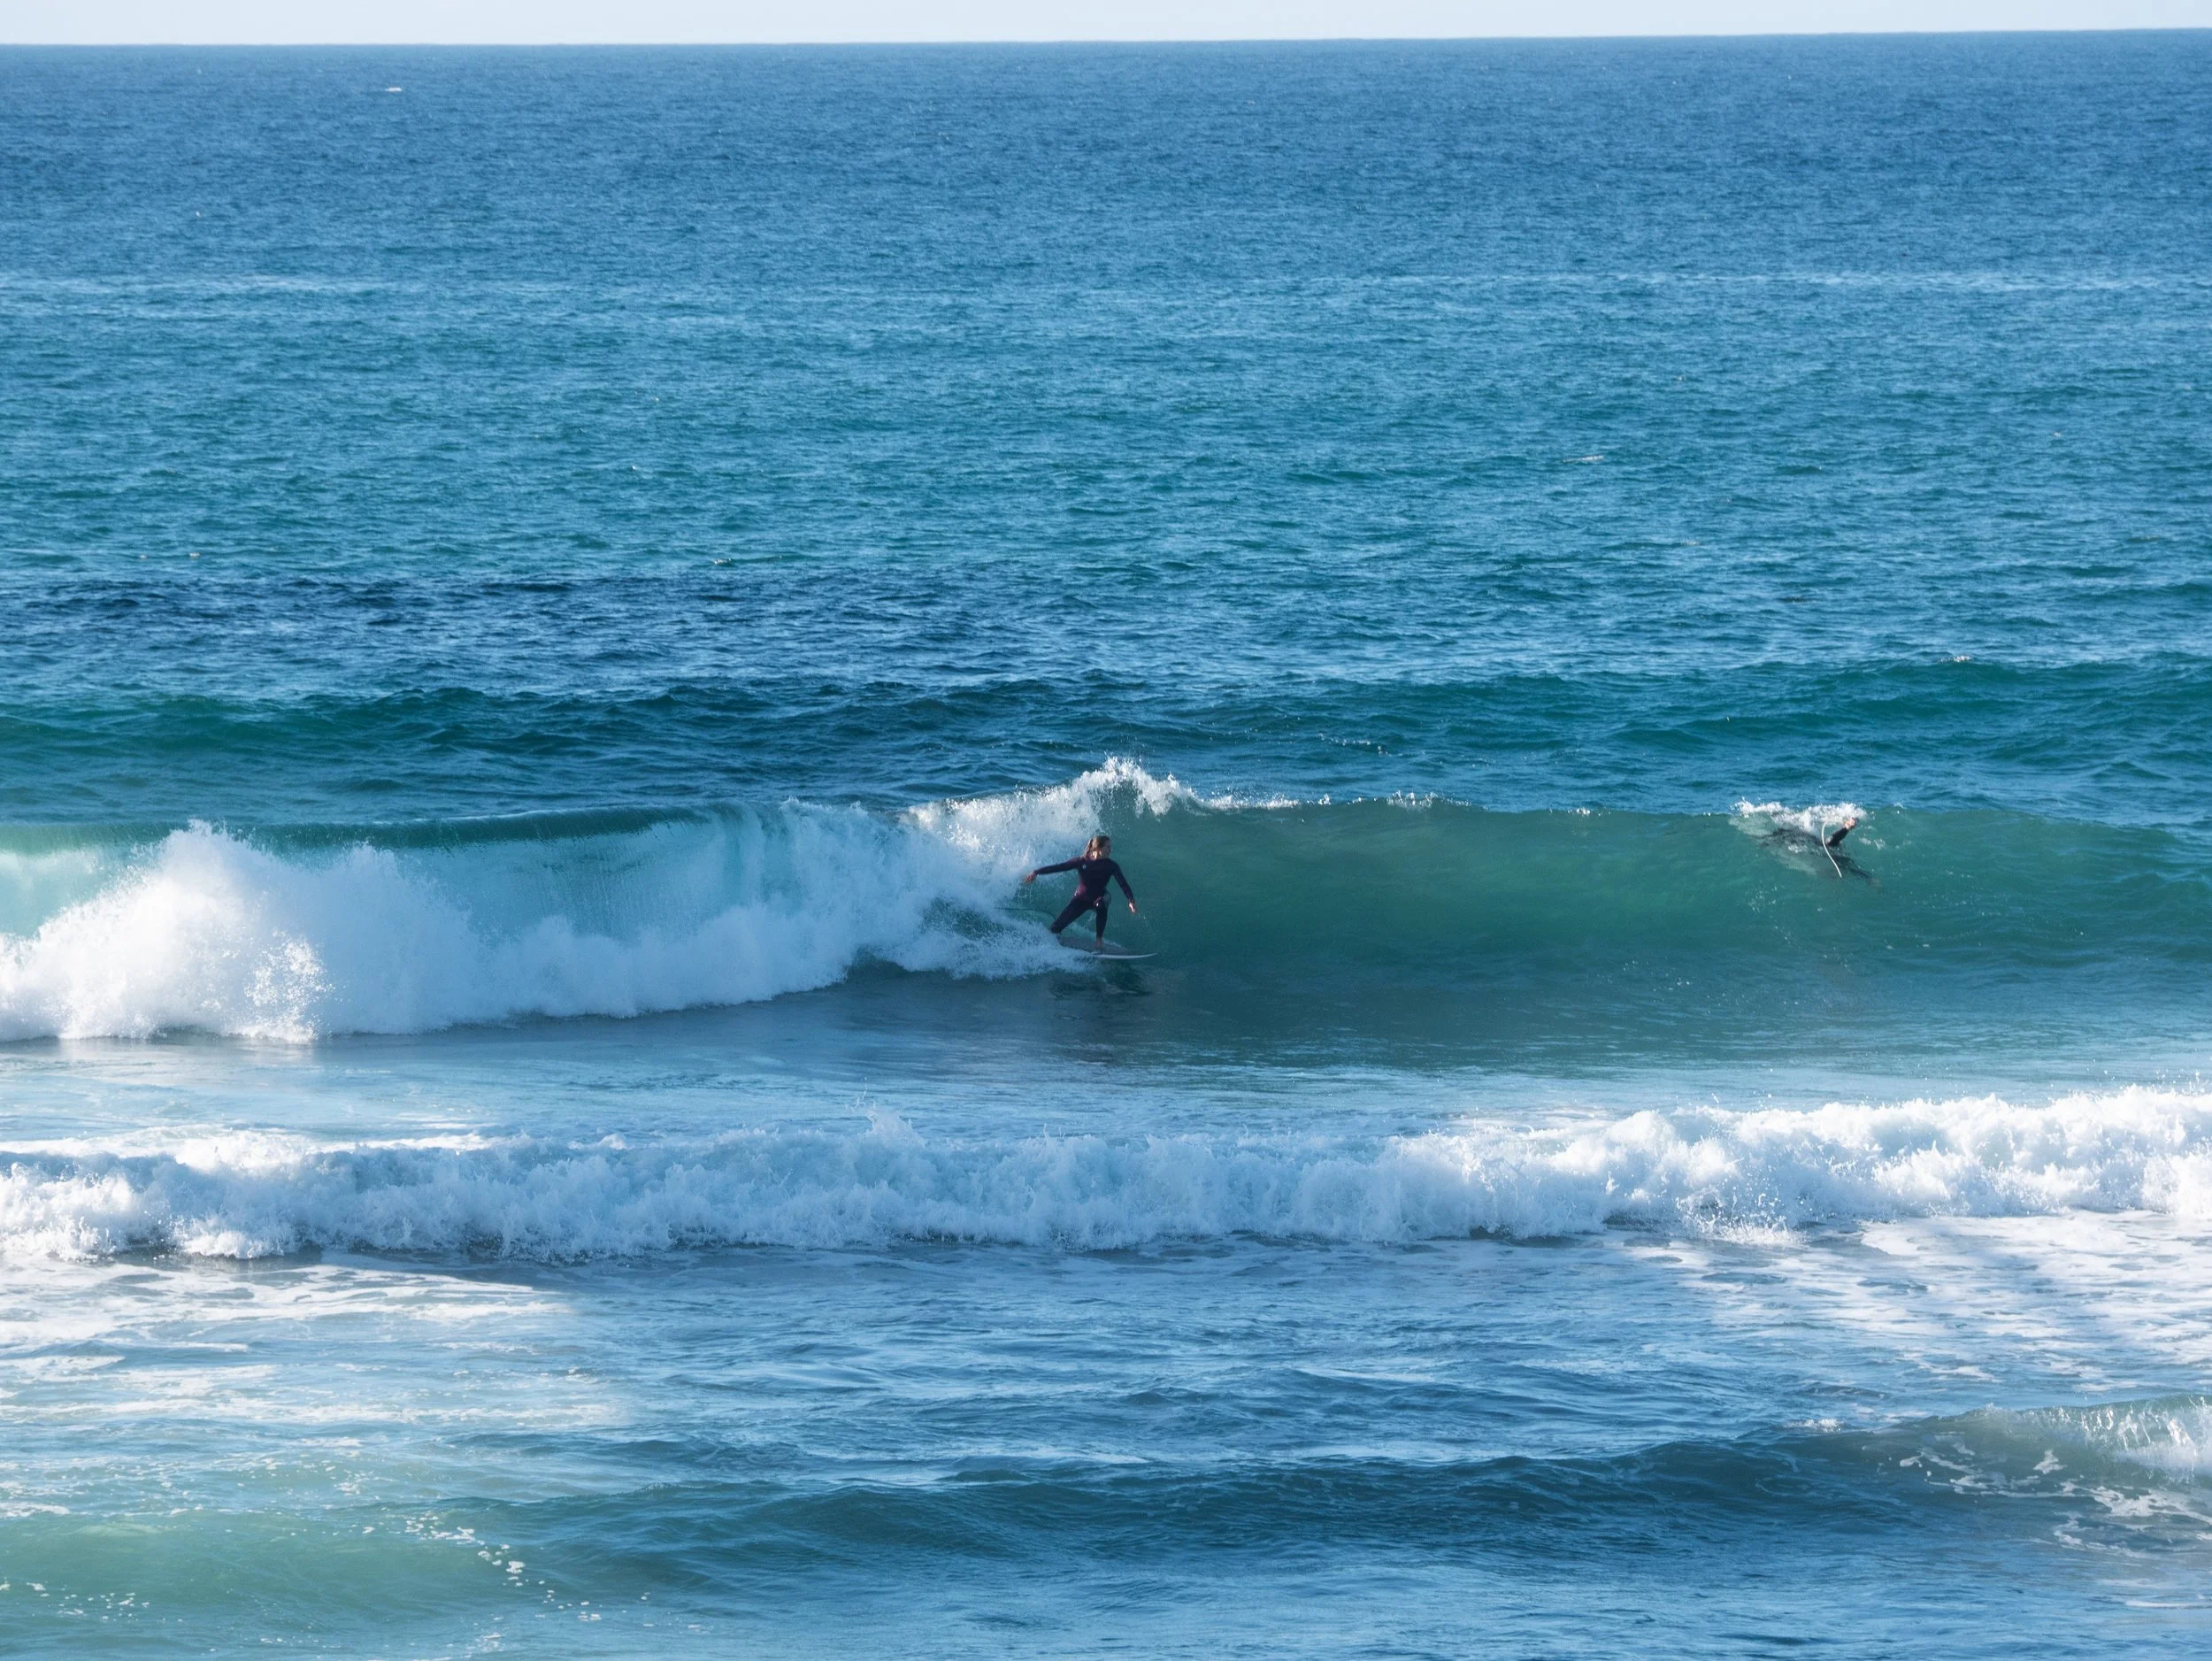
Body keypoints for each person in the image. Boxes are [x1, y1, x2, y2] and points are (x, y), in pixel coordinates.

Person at [1024, 833, 1137, 943]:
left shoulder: (1111, 865)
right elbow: (1060, 867)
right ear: (1099, 848)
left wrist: (1130, 900)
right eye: (1108, 847)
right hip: (1081, 898)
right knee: (1054, 929)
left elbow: (1123, 883)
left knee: (1100, 905)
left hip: (1101, 897)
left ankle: (1099, 940)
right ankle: (1053, 938)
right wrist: (1036, 872)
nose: (1110, 850)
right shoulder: (1082, 861)